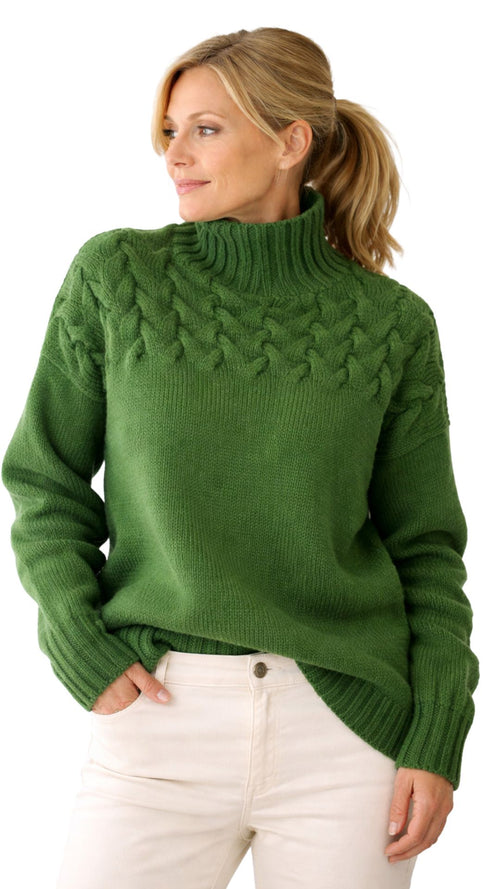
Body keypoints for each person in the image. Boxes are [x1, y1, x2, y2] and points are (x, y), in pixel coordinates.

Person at [2, 26, 478, 889]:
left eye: (206, 129)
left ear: (291, 141)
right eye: (170, 131)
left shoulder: (392, 325)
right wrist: (76, 637)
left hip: (347, 724)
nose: (175, 155)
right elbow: (45, 478)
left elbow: (426, 549)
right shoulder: (117, 277)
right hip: (159, 711)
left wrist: (437, 732)